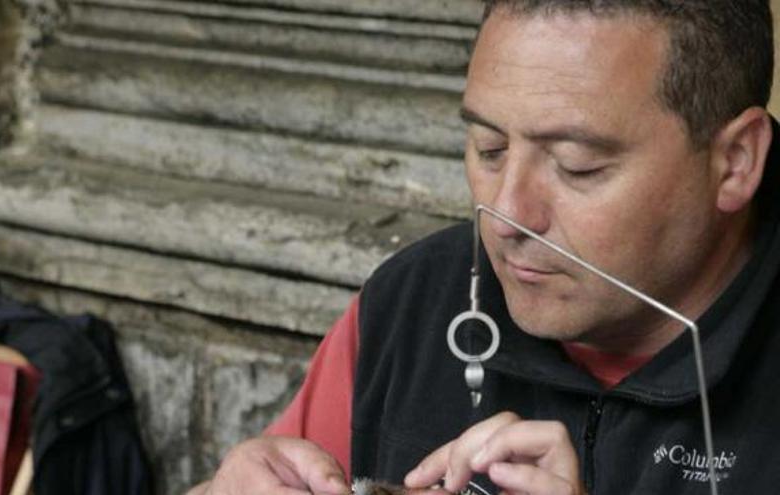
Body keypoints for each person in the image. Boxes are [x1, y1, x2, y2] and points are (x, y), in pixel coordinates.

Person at [189, 1, 779, 493]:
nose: (507, 215)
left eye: (578, 166)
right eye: (489, 149)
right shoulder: (411, 303)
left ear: (735, 161)